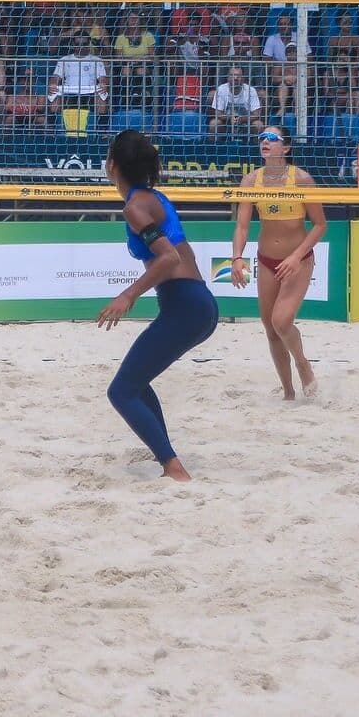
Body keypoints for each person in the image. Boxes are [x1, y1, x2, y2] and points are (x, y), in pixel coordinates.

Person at [95, 129, 219, 482]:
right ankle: (167, 458)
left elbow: (168, 258)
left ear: (112, 165)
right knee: (135, 382)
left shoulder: (135, 207)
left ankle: (174, 469)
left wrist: (128, 295)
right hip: (196, 302)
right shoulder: (153, 197)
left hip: (185, 305)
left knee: (121, 391)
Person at [230, 126, 324, 401]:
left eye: (272, 138)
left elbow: (319, 225)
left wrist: (296, 257)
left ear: (286, 148)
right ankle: (288, 392)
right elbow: (242, 226)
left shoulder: (302, 179)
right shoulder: (251, 181)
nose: (265, 142)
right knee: (270, 329)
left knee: (282, 322)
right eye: (261, 138)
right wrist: (237, 257)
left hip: (298, 260)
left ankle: (303, 363)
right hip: (267, 259)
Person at [49, 32, 109, 134]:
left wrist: (103, 83)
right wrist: (53, 83)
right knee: (54, 93)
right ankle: (52, 130)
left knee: (102, 93)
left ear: (89, 44)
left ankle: (101, 131)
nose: (81, 47)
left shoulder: (96, 60)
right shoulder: (64, 59)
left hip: (89, 90)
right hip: (69, 90)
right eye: (78, 44)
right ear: (73, 45)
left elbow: (102, 78)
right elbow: (56, 76)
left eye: (84, 44)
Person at [209, 66, 262, 135]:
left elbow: (256, 114)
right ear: (227, 77)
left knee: (258, 125)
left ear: (243, 78)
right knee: (214, 124)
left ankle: (255, 145)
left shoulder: (251, 90)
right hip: (226, 123)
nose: (235, 78)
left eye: (238, 76)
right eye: (232, 75)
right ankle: (215, 145)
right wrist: (229, 118)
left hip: (246, 123)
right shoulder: (221, 89)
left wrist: (242, 119)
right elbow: (217, 113)